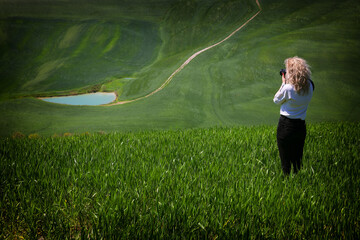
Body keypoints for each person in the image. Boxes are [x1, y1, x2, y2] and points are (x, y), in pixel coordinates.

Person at [273, 56, 314, 175]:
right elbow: (301, 86)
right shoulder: (310, 86)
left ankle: (287, 185)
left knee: (285, 161)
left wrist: (283, 83)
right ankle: (298, 182)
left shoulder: (288, 88)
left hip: (286, 125)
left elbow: (276, 100)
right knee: (297, 159)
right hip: (301, 126)